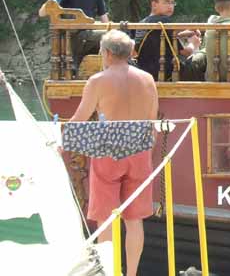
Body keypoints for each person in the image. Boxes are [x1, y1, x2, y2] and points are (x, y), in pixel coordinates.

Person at [69, 30, 158, 276]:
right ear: (129, 53)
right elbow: (152, 121)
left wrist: (61, 141)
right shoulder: (147, 79)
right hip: (139, 149)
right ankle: (132, 273)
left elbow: (80, 117)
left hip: (108, 149)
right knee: (134, 220)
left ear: (107, 53)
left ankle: (108, 272)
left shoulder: (97, 80)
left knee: (105, 219)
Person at [39, 0, 109, 71]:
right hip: (73, 40)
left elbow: (106, 23)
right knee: (107, 35)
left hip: (89, 39)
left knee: (113, 35)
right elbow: (42, 12)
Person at [135, 0, 206, 81]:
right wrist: (194, 44)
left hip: (145, 73)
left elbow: (159, 38)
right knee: (204, 56)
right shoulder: (164, 21)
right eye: (166, 2)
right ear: (154, 4)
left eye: (172, 3)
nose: (170, 6)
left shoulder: (142, 23)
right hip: (169, 75)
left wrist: (184, 34)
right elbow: (185, 52)